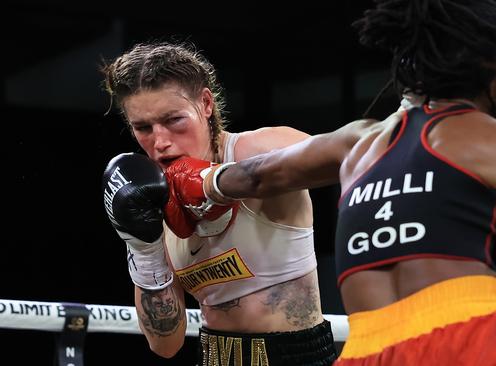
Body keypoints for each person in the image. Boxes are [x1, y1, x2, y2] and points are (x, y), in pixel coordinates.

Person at [190, 0, 496, 364]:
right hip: (473, 346)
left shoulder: (355, 142)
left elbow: (257, 174)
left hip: (366, 354)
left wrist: (194, 182)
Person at [100, 41, 337, 365]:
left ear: (206, 104)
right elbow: (165, 343)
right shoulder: (150, 198)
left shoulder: (255, 150)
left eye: (173, 120)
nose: (160, 141)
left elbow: (340, 158)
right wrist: (145, 250)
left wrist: (216, 183)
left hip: (296, 357)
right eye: (143, 128)